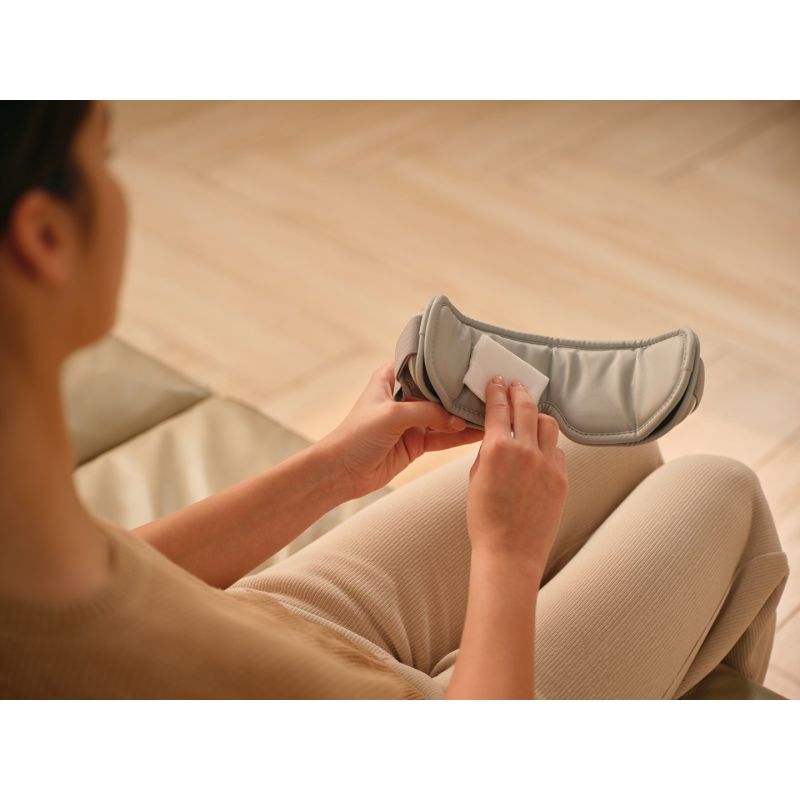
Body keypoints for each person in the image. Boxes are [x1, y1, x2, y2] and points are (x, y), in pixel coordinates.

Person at [0, 101, 789, 699]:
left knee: (595, 440)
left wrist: (332, 470)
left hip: (267, 625)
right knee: (716, 486)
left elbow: (114, 579)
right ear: (44, 237)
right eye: (104, 157)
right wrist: (507, 558)